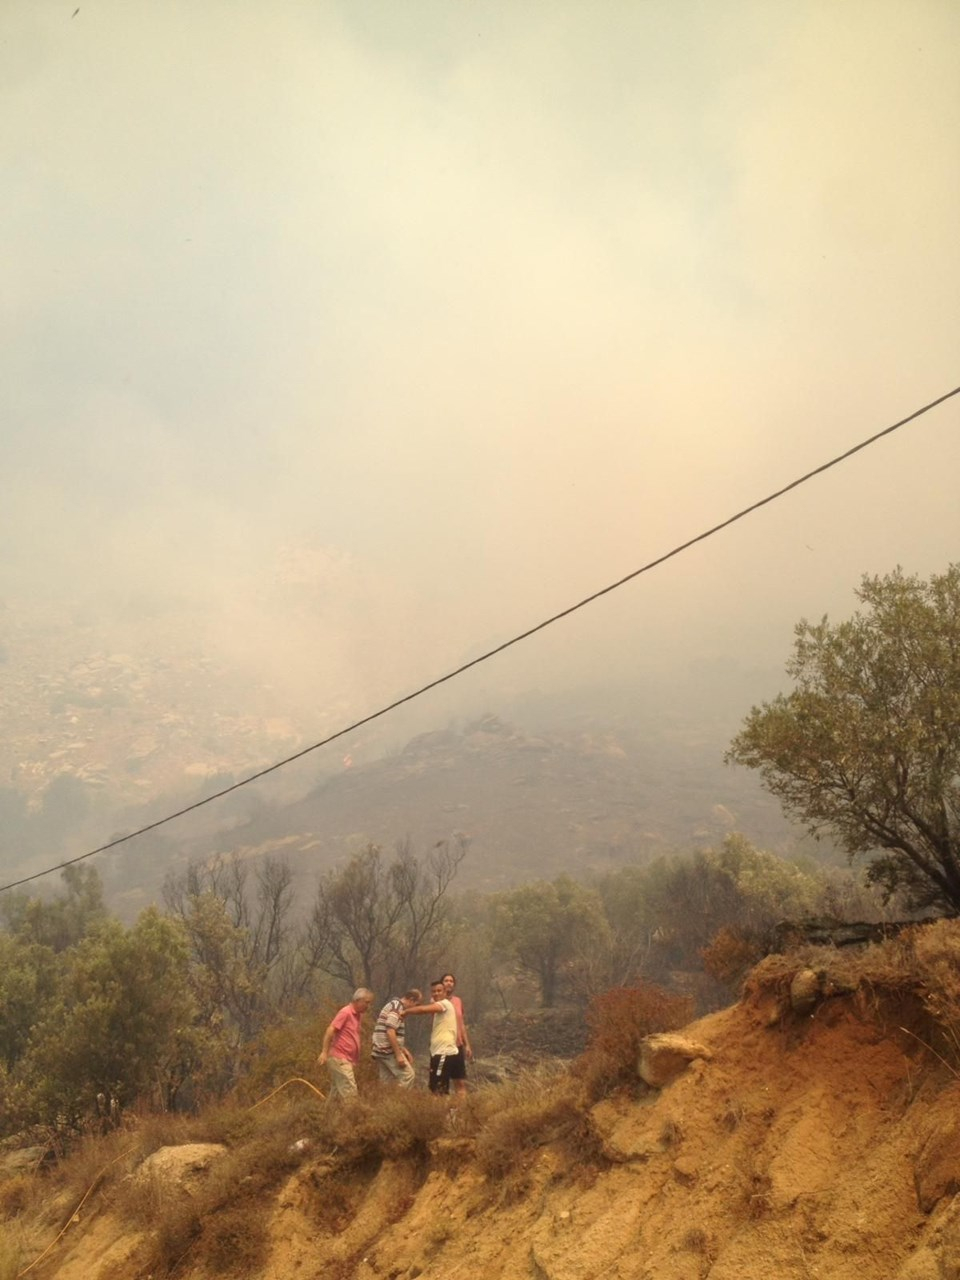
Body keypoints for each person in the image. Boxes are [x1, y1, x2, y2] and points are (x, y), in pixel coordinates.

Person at [400, 979, 460, 1095]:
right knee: (435, 1087)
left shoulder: (445, 1004)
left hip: (444, 1051)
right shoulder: (439, 1009)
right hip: (437, 1052)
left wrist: (406, 1011)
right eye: (433, 991)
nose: (436, 993)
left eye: (439, 991)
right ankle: (444, 1112)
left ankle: (446, 1112)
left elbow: (423, 1009)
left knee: (439, 1088)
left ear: (444, 992)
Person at [317, 988, 374, 1099]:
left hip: (346, 1060)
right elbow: (330, 1030)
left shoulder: (357, 1015)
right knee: (350, 1092)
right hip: (339, 1059)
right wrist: (324, 1052)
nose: (368, 1006)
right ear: (358, 1000)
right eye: (366, 1002)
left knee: (336, 1095)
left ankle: (325, 1115)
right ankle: (353, 1115)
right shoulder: (346, 1012)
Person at [371, 988, 422, 1088]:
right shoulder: (397, 1007)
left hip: (379, 1049)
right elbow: (390, 1031)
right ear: (411, 1000)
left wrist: (404, 1050)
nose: (415, 1008)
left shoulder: (393, 1005)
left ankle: (385, 1102)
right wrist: (398, 1054)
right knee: (408, 1076)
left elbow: (394, 1033)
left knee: (386, 1082)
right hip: (387, 1050)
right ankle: (399, 1099)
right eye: (416, 1004)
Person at [441, 971, 473, 1096]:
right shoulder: (436, 1001)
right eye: (446, 980)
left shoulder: (458, 1001)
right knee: (442, 1083)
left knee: (460, 1082)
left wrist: (467, 1045)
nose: (449, 983)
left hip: (457, 1045)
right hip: (442, 1046)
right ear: (442, 984)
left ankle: (461, 1112)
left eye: (451, 981)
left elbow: (461, 1024)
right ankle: (441, 1112)